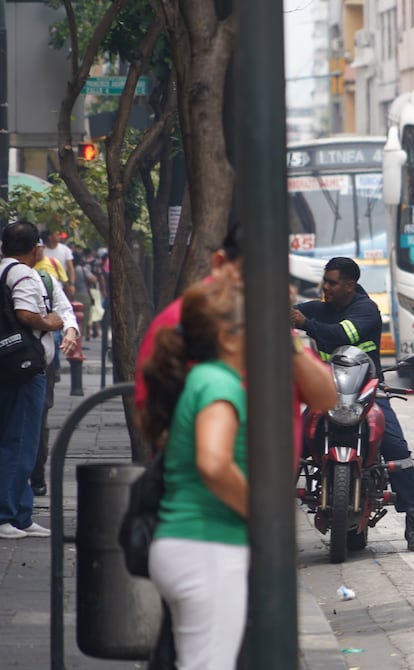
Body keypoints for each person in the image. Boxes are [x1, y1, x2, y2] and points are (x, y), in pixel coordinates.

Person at [134, 222, 336, 466]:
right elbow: (154, 417)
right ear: (221, 264)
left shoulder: (268, 322)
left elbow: (324, 398)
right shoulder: (182, 322)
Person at [140, 277, 249, 668]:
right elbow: (214, 463)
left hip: (189, 544)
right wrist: (263, 514)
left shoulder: (204, 379)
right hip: (208, 547)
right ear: (230, 337)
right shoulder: (221, 386)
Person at [291, 256, 414, 551]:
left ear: (350, 285)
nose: (325, 287)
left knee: (397, 450)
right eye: (325, 281)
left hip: (367, 390)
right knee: (295, 442)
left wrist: (306, 324)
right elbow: (291, 315)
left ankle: (413, 517)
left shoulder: (366, 310)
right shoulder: (318, 309)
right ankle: (275, 516)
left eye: (332, 282)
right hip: (329, 392)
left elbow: (343, 334)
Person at [0, 221, 65, 539]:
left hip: (7, 365)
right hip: (24, 368)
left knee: (12, 439)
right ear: (36, 248)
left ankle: (21, 513)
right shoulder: (24, 274)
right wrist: (50, 322)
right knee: (22, 441)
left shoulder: (2, 270)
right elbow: (26, 313)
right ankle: (7, 515)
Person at [30, 243, 82, 497]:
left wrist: (68, 329)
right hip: (36, 363)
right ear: (35, 250)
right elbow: (64, 314)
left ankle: (35, 477)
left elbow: (65, 312)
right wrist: (58, 325)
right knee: (36, 420)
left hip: (39, 365)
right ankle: (32, 480)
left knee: (37, 420)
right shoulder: (41, 279)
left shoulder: (45, 279)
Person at [40, 231, 74, 299]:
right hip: (44, 285)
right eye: (57, 235)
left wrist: (71, 284)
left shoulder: (65, 249)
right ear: (50, 237)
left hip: (61, 284)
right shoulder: (42, 251)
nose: (60, 237)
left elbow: (70, 268)